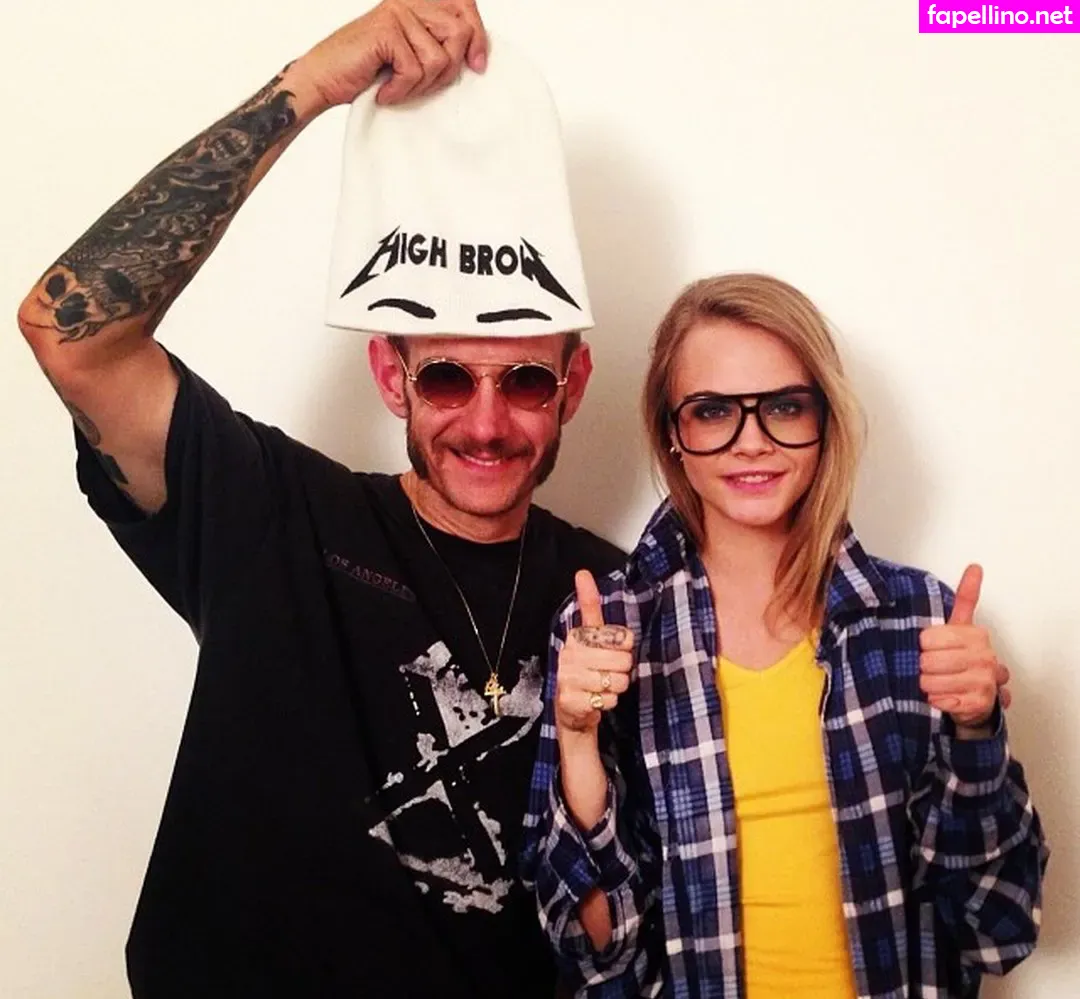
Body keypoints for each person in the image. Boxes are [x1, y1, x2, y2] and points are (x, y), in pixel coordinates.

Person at [16, 3, 623, 997]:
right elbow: (70, 331)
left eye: (525, 381)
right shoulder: (275, 516)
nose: (486, 423)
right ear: (390, 374)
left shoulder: (617, 593)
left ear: (574, 385)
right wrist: (311, 84)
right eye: (445, 378)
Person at [522, 273, 1048, 998]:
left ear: (825, 418)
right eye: (713, 411)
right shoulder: (608, 629)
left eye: (784, 407)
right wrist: (578, 740)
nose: (752, 443)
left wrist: (976, 733)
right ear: (673, 432)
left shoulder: (921, 622)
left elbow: (998, 930)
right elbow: (595, 958)